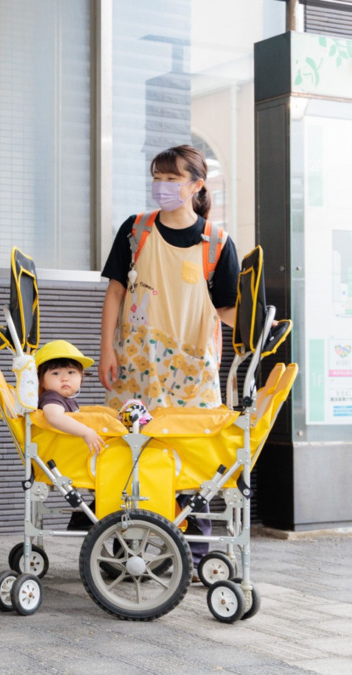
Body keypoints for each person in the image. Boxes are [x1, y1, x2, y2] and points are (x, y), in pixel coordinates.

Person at [97, 144, 240, 571]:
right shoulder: (136, 229)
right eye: (157, 178)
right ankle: (117, 549)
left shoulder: (217, 241)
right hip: (136, 367)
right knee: (130, 452)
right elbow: (116, 292)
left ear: (197, 185)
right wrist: (106, 348)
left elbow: (228, 307)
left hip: (193, 372)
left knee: (190, 458)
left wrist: (257, 328)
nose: (161, 187)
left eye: (171, 179)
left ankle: (193, 555)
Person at [35, 340, 103, 454]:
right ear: (40, 380)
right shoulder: (51, 398)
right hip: (58, 454)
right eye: (56, 373)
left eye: (71, 372)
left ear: (81, 376)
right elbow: (54, 417)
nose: (64, 378)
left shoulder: (67, 398)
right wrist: (86, 432)